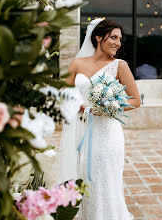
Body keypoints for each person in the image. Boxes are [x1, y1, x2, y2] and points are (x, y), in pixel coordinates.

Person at [58, 18, 141, 220]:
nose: (117, 43)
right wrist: (76, 104)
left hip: (107, 134)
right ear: (98, 37)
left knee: (105, 180)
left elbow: (136, 100)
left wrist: (109, 107)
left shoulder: (119, 66)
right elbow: (63, 93)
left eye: (120, 39)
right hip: (82, 131)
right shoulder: (77, 63)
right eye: (113, 37)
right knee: (85, 178)